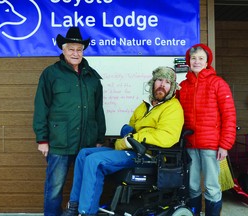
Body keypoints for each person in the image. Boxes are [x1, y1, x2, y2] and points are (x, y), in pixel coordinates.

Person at [61, 66, 184, 216]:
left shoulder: (173, 108)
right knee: (84, 154)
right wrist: (127, 134)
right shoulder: (144, 105)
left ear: (172, 87)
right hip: (132, 150)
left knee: (94, 161)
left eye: (167, 82)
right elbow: (132, 126)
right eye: (159, 80)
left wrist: (133, 139)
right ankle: (74, 205)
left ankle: (86, 212)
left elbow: (167, 137)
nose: (162, 85)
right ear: (153, 82)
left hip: (148, 156)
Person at [33, 26, 106, 216]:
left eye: (79, 49)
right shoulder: (51, 74)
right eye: (71, 49)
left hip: (87, 142)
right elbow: (42, 107)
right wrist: (42, 139)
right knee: (55, 187)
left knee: (85, 185)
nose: (75, 53)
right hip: (59, 141)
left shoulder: (92, 77)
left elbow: (99, 110)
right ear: (63, 50)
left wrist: (99, 138)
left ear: (83, 51)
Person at [178, 43, 236, 216]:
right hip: (190, 144)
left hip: (212, 146)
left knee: (211, 186)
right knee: (193, 186)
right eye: (193, 58)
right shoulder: (183, 86)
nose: (197, 61)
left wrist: (225, 145)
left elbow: (229, 116)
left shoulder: (218, 83)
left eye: (201, 58)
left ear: (207, 62)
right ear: (189, 61)